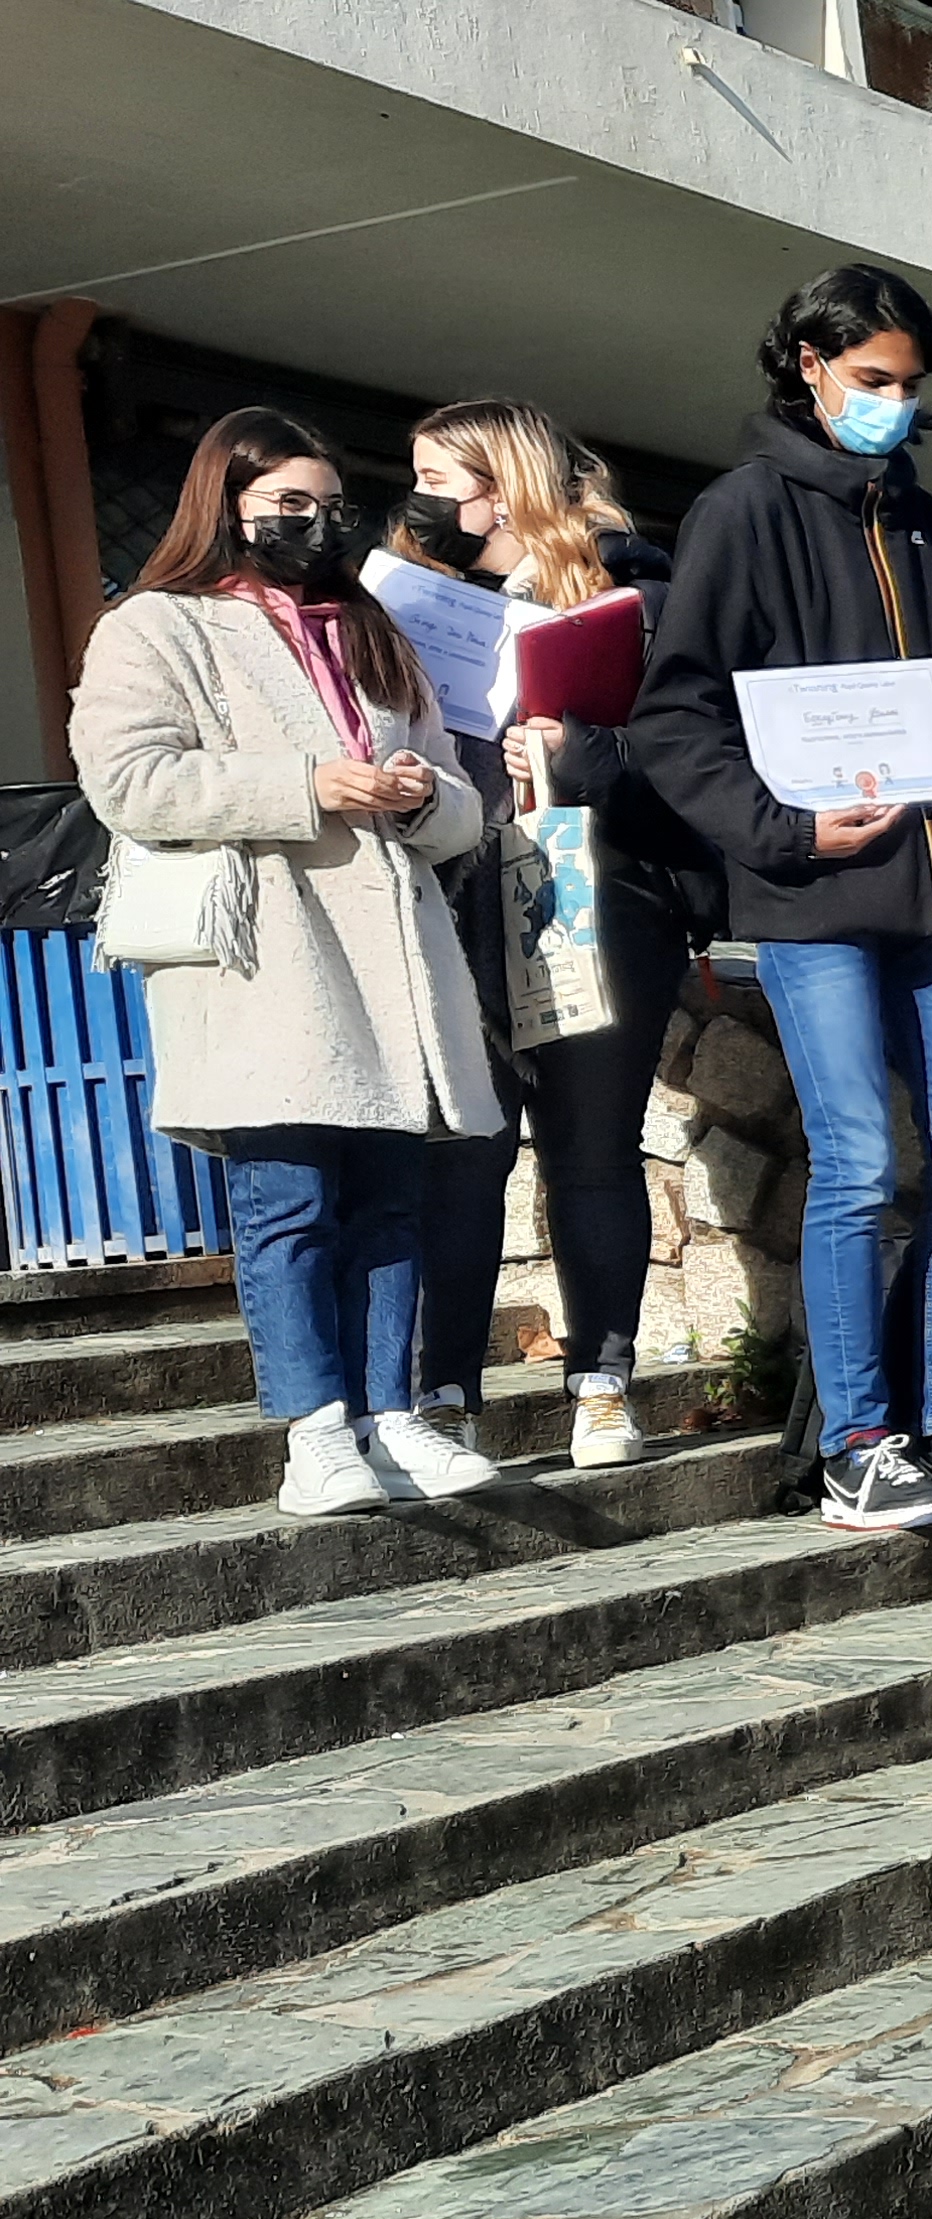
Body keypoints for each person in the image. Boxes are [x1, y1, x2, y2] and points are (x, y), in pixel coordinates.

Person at [633, 263, 932, 1530]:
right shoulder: (741, 511)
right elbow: (676, 715)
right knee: (860, 1162)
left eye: (908, 385)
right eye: (870, 379)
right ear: (809, 368)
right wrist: (782, 827)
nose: (889, 402)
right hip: (813, 895)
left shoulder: (928, 523)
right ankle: (858, 1442)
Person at [74, 408, 504, 1511]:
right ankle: (314, 1433)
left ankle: (392, 1419)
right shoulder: (156, 626)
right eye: (288, 507)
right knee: (289, 1199)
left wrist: (419, 799)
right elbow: (130, 783)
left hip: (390, 954)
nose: (311, 528)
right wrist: (307, 783)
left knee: (391, 1202)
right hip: (268, 957)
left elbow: (458, 794)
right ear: (227, 503)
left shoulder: (368, 625)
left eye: (326, 508)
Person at [391, 398, 705, 1474]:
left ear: (506, 486)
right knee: (464, 1152)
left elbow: (686, 768)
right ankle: (443, 1396)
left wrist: (578, 762)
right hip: (456, 890)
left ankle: (603, 1386)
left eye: (444, 478)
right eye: (418, 478)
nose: (424, 501)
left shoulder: (639, 595)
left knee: (589, 1147)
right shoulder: (414, 603)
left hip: (603, 897)